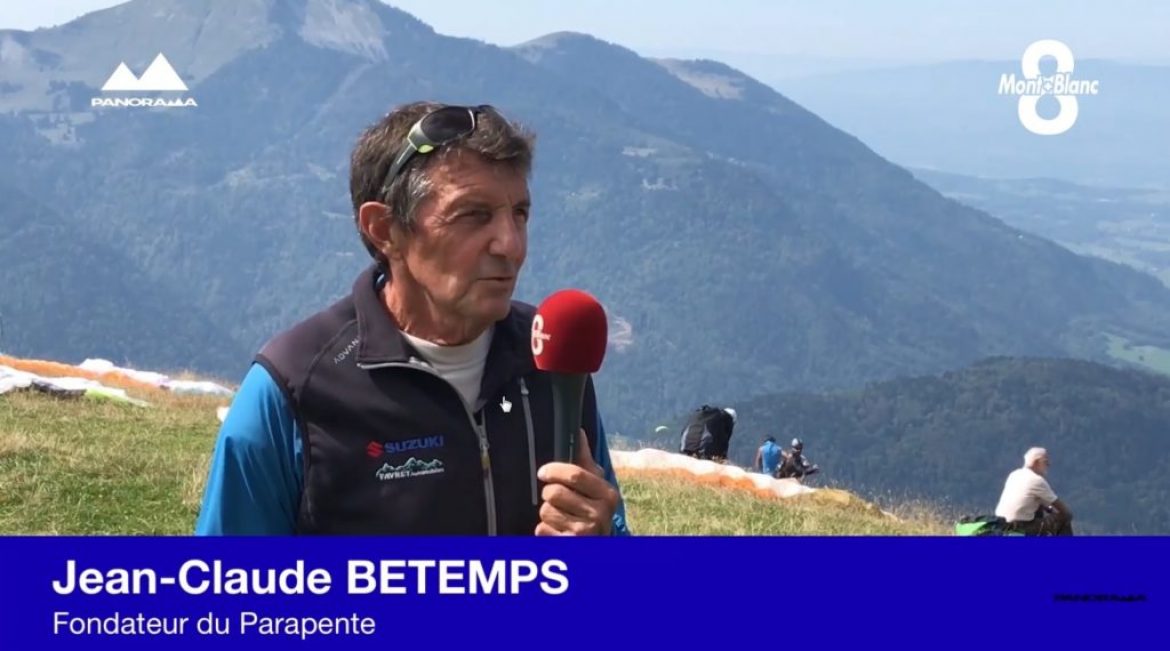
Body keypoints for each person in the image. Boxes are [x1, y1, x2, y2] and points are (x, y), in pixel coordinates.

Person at [194, 101, 630, 536]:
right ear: (384, 230)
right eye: (473, 215)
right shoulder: (292, 389)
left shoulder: (553, 366)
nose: (511, 245)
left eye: (519, 213)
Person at [994, 447, 1073, 536]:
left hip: (1001, 523)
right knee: (1065, 518)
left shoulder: (1014, 474)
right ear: (1036, 462)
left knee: (1038, 508)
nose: (1049, 465)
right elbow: (1064, 510)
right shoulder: (1037, 480)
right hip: (1021, 526)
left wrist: (1048, 508)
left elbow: (1028, 500)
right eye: (1045, 462)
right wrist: (1059, 513)